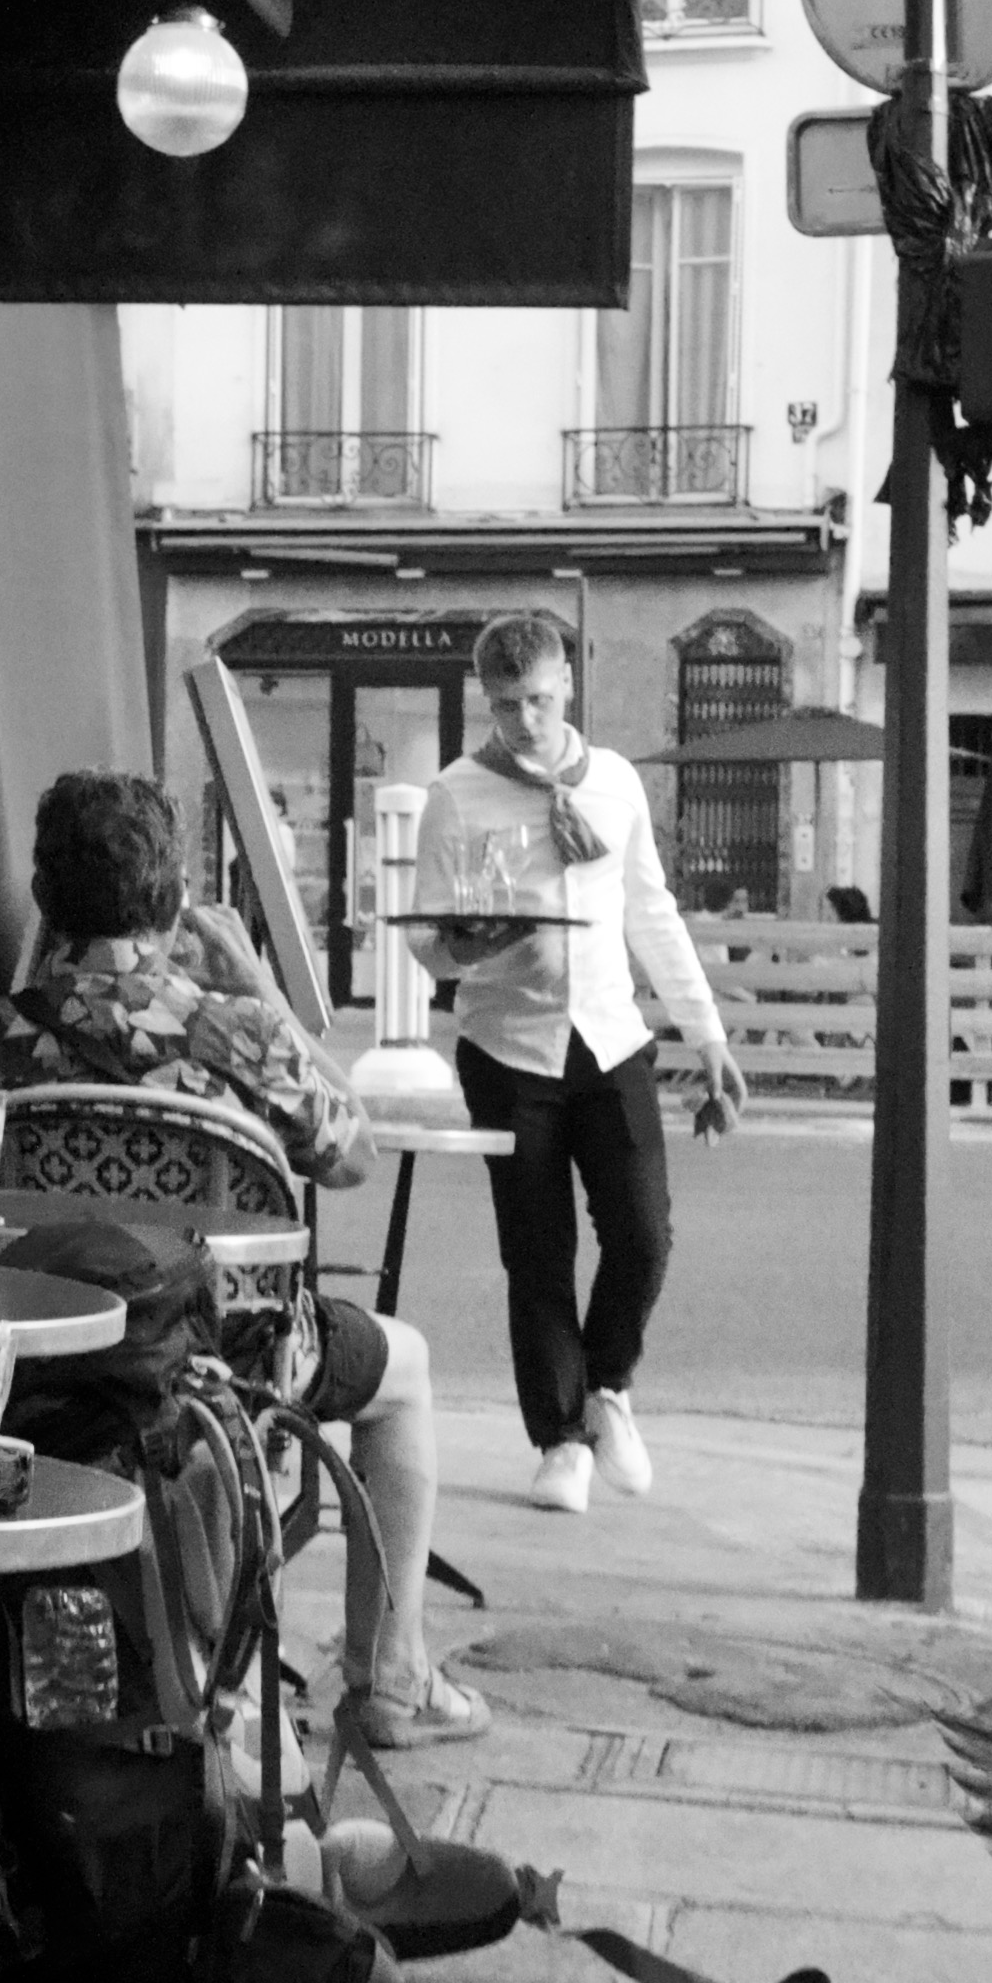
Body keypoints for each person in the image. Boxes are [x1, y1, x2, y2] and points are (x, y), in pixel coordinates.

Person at [0, 769, 490, 1751]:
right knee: (401, 1369)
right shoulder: (233, 1030)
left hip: (36, 1361)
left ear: (42, 899)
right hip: (219, 1364)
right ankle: (391, 1677)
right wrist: (264, 992)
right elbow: (352, 1152)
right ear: (174, 898)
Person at [408, 614, 747, 1516]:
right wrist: (468, 949)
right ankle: (559, 1440)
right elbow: (430, 950)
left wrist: (706, 1032)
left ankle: (608, 1390)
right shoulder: (456, 794)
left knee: (644, 1232)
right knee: (537, 1252)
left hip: (610, 1036)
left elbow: (650, 909)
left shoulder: (618, 785)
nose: (527, 721)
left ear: (569, 688)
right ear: (488, 699)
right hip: (506, 1048)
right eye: (510, 705)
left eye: (543, 701)